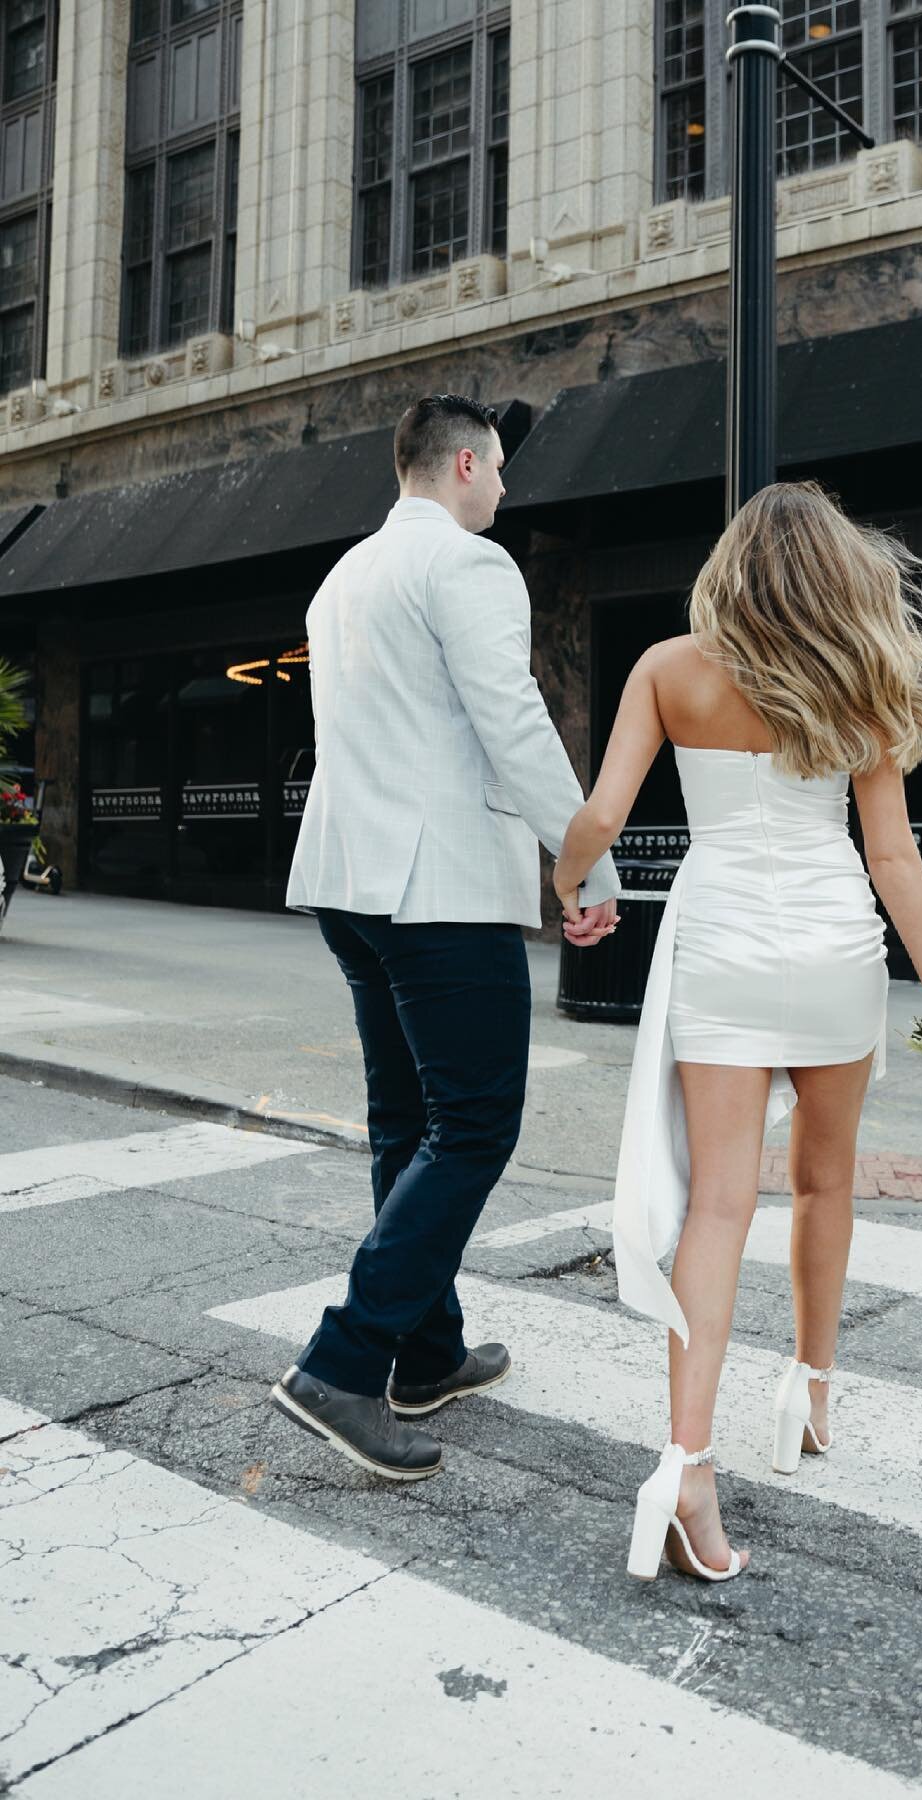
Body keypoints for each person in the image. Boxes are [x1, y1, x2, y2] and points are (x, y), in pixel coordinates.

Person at [551, 480, 922, 1581]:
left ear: (732, 567)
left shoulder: (669, 668)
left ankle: (688, 1464)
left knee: (717, 1202)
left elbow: (603, 817)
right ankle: (811, 1392)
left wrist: (570, 884)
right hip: (836, 948)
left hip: (724, 953)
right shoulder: (861, 678)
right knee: (827, 1182)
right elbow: (892, 855)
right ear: (838, 574)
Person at [273, 394, 620, 1481]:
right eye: (501, 470)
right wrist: (584, 863)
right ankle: (343, 1363)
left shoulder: (344, 578)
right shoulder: (470, 567)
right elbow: (512, 721)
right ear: (465, 463)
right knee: (472, 1126)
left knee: (406, 1120)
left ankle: (427, 1353)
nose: (507, 490)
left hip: (350, 881)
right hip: (436, 891)